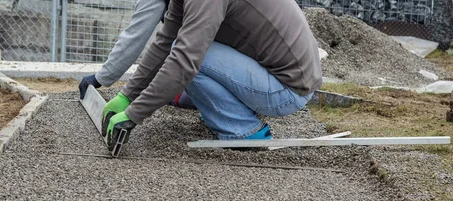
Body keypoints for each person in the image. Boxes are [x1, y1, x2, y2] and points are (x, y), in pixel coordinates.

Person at [102, 0, 322, 155]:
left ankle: (242, 130)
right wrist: (127, 96)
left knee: (188, 55)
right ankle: (227, 113)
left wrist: (134, 115)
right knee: (181, 47)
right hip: (283, 76)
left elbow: (184, 60)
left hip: (287, 89)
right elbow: (164, 41)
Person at [78, 0, 194, 109]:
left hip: (201, 52)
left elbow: (136, 35)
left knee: (181, 96)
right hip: (202, 48)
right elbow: (164, 43)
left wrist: (99, 78)